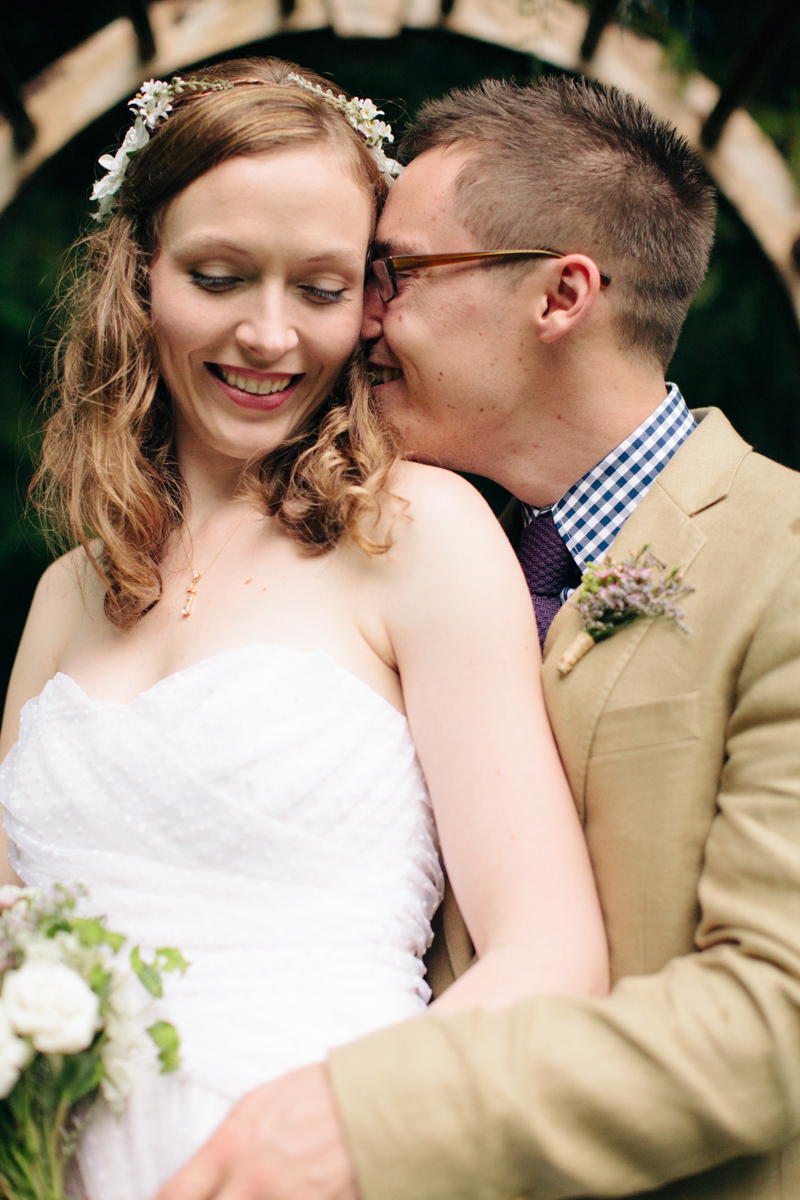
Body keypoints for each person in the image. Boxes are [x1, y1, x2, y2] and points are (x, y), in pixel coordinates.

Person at [159, 76, 800, 1200]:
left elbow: (773, 1018)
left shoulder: (780, 559)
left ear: (559, 296)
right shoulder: (404, 557)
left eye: (396, 274)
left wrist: (372, 1120)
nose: (358, 317)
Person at [0, 60, 609, 1199]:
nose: (268, 335)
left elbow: (549, 956)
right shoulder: (67, 594)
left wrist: (333, 1131)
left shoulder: (418, 532)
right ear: (139, 276)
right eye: (219, 275)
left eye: (321, 290)